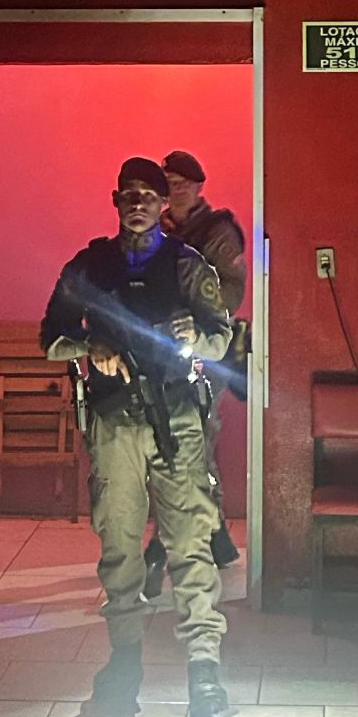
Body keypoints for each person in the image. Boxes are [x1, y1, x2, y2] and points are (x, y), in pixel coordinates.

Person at [41, 156, 236, 717]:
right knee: (121, 547)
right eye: (128, 194)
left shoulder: (186, 264)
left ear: (162, 204)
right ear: (115, 200)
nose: (137, 205)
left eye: (148, 195)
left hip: (176, 418)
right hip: (115, 421)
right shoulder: (90, 266)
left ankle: (204, 672)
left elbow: (222, 338)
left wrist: (195, 336)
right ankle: (124, 664)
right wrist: (89, 345)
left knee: (190, 546)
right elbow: (49, 337)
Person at [145, 147, 245, 582]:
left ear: (199, 186)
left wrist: (191, 308)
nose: (175, 191)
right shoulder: (155, 227)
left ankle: (171, 542)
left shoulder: (217, 232)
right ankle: (214, 535)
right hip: (159, 352)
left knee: (194, 442)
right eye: (169, 184)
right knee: (168, 443)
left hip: (203, 348)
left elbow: (231, 291)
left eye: (182, 183)